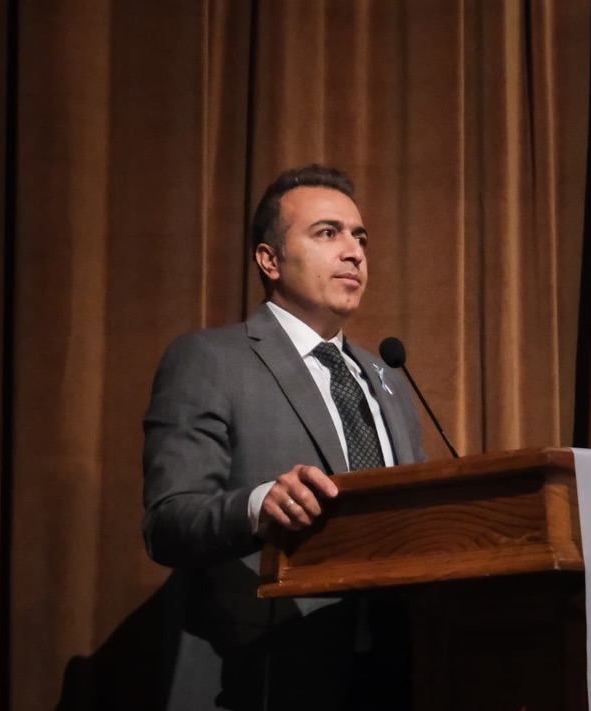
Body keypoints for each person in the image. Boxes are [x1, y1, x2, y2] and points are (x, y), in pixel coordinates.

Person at [142, 164, 426, 710]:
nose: (354, 252)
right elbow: (167, 521)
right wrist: (258, 506)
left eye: (360, 237)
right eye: (328, 233)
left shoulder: (385, 376)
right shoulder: (210, 359)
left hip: (394, 671)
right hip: (265, 674)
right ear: (269, 260)